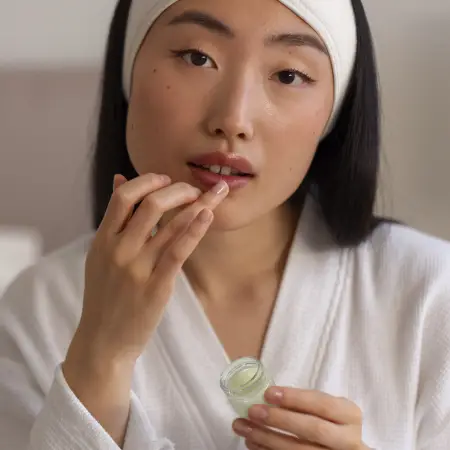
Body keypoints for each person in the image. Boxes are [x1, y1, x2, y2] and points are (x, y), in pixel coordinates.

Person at [0, 0, 449, 448]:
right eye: (197, 57)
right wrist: (101, 357)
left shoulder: (431, 296)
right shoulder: (36, 312)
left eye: (288, 75)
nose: (234, 119)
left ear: (334, 112)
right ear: (130, 71)